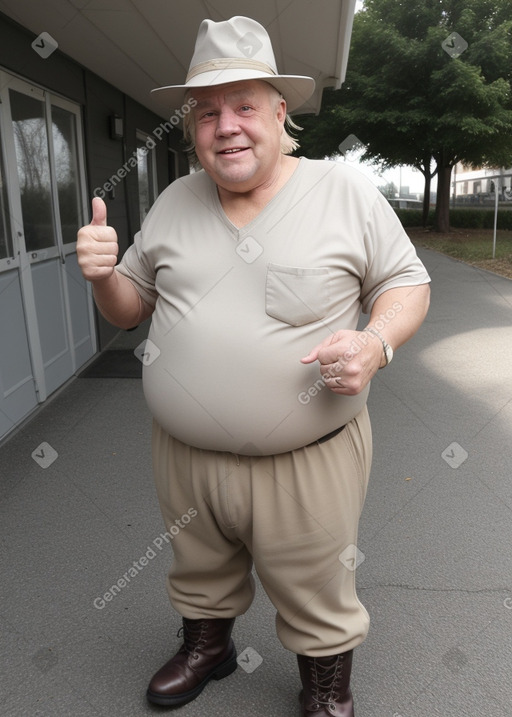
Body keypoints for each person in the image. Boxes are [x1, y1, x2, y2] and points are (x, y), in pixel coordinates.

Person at [77, 15, 430, 717]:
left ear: (279, 111)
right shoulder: (175, 201)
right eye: (208, 112)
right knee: (198, 567)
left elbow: (406, 283)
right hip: (186, 454)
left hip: (309, 458)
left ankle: (325, 689)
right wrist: (100, 275)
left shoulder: (343, 192)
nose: (227, 126)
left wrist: (374, 343)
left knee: (317, 583)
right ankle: (207, 647)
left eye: (244, 106)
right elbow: (130, 308)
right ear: (192, 126)